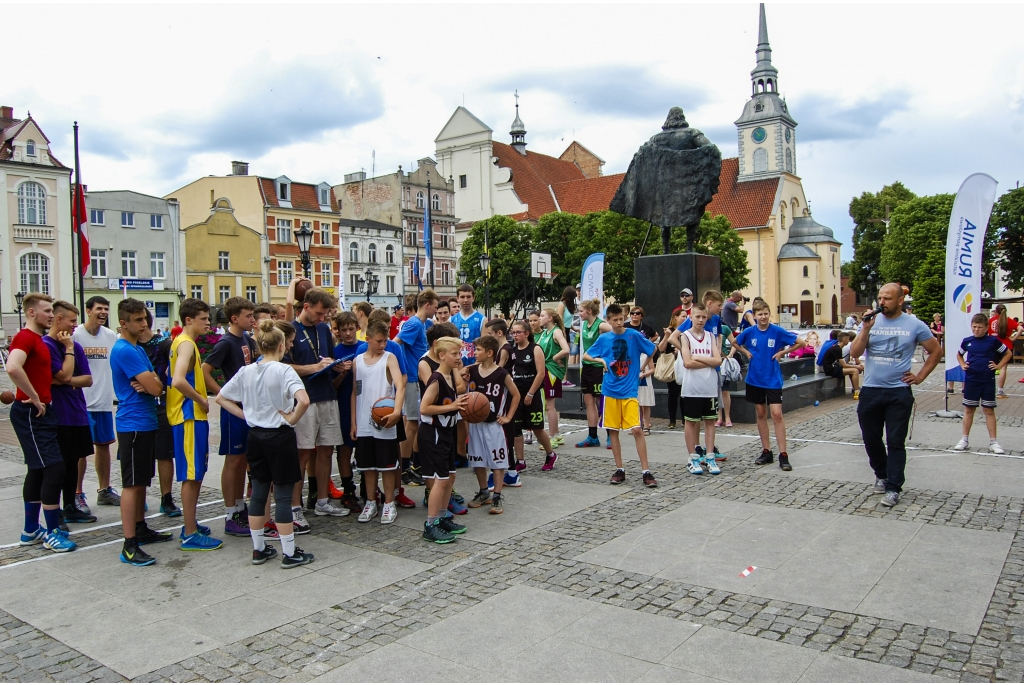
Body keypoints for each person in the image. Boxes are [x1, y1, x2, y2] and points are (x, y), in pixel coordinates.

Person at [215, 319, 314, 568]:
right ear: (282, 345)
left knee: (258, 493)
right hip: (279, 435)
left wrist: (245, 415)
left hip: (255, 435)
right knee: (282, 495)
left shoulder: (247, 371)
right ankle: (289, 551)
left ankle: (259, 548)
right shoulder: (284, 370)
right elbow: (303, 400)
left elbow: (221, 397)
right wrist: (291, 418)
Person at [849, 283, 942, 508]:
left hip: (898, 392)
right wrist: (866, 328)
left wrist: (920, 376)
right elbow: (854, 353)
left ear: (900, 300)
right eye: (880, 298)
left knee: (895, 441)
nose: (882, 302)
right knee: (871, 438)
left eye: (887, 298)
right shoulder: (871, 322)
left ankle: (894, 487)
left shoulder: (914, 325)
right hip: (871, 390)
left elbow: (937, 351)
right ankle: (882, 474)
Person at [7, 294, 77, 553]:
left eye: (51, 311)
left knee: (37, 470)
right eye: (46, 311)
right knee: (54, 469)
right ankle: (51, 532)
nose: (51, 314)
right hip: (31, 412)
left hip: (41, 411)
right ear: (31, 313)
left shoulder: (37, 340)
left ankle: (30, 530)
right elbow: (13, 368)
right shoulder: (25, 337)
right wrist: (33, 396)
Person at [111, 298, 174, 566]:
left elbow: (157, 382)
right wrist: (153, 382)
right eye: (137, 320)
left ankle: (140, 528)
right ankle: (129, 544)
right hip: (133, 423)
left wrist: (153, 381)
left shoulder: (137, 349)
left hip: (145, 421)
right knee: (132, 484)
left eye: (144, 318)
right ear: (123, 323)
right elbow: (156, 388)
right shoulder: (125, 349)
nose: (144, 323)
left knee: (142, 481)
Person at [287, 288, 348, 524]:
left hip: (327, 395)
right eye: (320, 313)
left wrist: (337, 366)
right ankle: (294, 507)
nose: (323, 319)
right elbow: (285, 366)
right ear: (306, 307)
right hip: (304, 399)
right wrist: (312, 368)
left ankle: (322, 501)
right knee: (302, 453)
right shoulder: (291, 330)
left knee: (326, 450)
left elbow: (328, 360)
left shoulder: (323, 328)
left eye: (326, 314)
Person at [202, 297, 259, 538]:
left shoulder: (246, 338)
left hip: (248, 407)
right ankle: (230, 512)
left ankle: (240, 506)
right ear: (234, 318)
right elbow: (205, 370)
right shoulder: (226, 342)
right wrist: (222, 394)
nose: (252, 319)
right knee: (233, 460)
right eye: (248, 316)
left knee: (243, 459)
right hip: (233, 409)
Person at [584, 304, 658, 487]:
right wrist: (601, 359)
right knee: (613, 430)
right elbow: (586, 355)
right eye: (614, 320)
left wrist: (641, 368)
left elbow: (652, 349)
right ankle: (619, 468)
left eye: (620, 319)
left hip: (629, 390)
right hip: (610, 390)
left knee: (637, 430)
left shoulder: (633, 335)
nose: (618, 323)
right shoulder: (604, 338)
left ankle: (646, 471)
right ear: (607, 320)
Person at [168, 298, 222, 551]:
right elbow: (178, 380)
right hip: (188, 415)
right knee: (191, 475)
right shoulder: (186, 344)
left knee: (196, 472)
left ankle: (191, 523)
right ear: (189, 320)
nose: (208, 323)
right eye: (203, 319)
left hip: (190, 416)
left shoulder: (184, 342)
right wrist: (201, 398)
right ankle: (189, 531)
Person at [732, 299, 807, 471]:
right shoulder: (750, 332)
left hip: (772, 379)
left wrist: (783, 352)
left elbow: (801, 343)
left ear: (769, 314)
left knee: (777, 414)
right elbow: (736, 342)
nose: (763, 317)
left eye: (766, 314)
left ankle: (783, 453)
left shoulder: (777, 331)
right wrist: (745, 352)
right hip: (755, 378)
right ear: (755, 316)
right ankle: (766, 450)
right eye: (760, 314)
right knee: (760, 413)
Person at [44, 301, 97, 527]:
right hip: (59, 415)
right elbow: (62, 375)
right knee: (59, 465)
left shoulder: (76, 347)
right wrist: (65, 376)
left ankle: (70, 505)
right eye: (72, 321)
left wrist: (66, 380)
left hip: (77, 412)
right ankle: (54, 511)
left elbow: (87, 378)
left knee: (74, 461)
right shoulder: (47, 345)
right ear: (59, 320)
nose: (75, 326)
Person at [350, 318, 406, 524]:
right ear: (368, 339)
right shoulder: (358, 361)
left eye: (385, 341)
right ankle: (371, 501)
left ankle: (389, 502)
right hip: (364, 420)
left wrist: (397, 410)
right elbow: (355, 393)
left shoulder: (390, 358)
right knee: (368, 466)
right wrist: (353, 422)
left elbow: (400, 386)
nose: (383, 345)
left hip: (385, 419)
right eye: (379, 341)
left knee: (388, 465)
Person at [419, 336, 470, 543]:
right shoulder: (436, 379)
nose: (459, 357)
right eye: (454, 354)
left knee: (450, 477)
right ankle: (430, 525)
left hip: (446, 431)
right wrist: (452, 406)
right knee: (439, 480)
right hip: (434, 433)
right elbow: (424, 408)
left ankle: (441, 518)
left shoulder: (450, 376)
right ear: (442, 356)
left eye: (459, 353)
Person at [73, 296, 120, 511]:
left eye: (106, 309)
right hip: (81, 402)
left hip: (103, 401)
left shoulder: (110, 336)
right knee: (80, 450)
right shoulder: (76, 335)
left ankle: (104, 490)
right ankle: (77, 493)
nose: (103, 312)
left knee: (104, 447)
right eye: (99, 308)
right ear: (88, 310)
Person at [466, 335, 520, 514]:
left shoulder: (501, 373)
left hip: (494, 425)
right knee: (477, 460)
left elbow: (516, 395)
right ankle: (483, 492)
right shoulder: (471, 370)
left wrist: (509, 416)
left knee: (498, 462)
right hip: (476, 424)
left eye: (478, 350)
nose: (475, 353)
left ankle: (497, 495)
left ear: (489, 353)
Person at [137, 312, 181, 517]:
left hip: (162, 404)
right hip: (138, 406)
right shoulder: (129, 346)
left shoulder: (163, 343)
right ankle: (140, 497)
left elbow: (177, 366)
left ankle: (166, 498)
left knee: (164, 454)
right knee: (141, 456)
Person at [394, 289, 437, 500]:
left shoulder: (424, 324)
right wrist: (398, 369)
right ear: (427, 304)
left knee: (417, 423)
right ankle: (404, 467)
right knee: (410, 423)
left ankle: (415, 463)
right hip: (411, 378)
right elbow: (395, 343)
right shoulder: (412, 323)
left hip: (417, 377)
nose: (437, 310)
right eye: (436, 306)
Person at [954, 313, 1012, 454]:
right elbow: (959, 354)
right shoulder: (967, 341)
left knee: (988, 410)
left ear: (986, 328)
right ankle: (964, 439)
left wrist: (998, 366)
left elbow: (1008, 353)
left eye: (979, 327)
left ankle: (993, 442)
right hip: (972, 379)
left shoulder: (993, 341)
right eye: (974, 327)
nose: (976, 330)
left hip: (987, 380)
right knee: (969, 409)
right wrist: (962, 364)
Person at [677, 302, 723, 476]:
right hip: (692, 388)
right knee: (691, 422)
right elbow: (687, 363)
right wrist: (706, 359)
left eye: (704, 317)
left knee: (710, 422)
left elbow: (718, 360)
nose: (701, 320)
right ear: (691, 317)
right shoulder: (685, 336)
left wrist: (697, 357)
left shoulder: (711, 336)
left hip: (709, 387)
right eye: (698, 316)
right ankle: (693, 458)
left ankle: (710, 457)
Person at [508, 320, 558, 472]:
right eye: (513, 333)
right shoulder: (512, 350)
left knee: (537, 428)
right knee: (516, 428)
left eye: (518, 332)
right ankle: (520, 460)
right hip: (517, 393)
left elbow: (541, 373)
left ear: (527, 333)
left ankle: (550, 454)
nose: (515, 335)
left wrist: (530, 393)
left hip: (533, 392)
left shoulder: (535, 349)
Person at [451, 284, 485, 467]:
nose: (465, 300)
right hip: (457, 372)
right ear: (457, 298)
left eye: (468, 296)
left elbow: (485, 348)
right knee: (460, 415)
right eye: (462, 297)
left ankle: (476, 452)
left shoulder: (481, 319)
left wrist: (471, 369)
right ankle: (461, 453)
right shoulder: (452, 320)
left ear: (473, 297)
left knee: (474, 412)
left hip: (474, 371)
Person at [331, 311, 360, 511]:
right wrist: (342, 373)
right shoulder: (335, 352)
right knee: (344, 448)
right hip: (342, 403)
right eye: (344, 330)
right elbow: (332, 386)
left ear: (357, 328)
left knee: (365, 448)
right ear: (339, 332)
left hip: (363, 402)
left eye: (351, 329)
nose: (348, 333)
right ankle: (348, 489)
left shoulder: (365, 348)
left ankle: (369, 487)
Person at [576, 300, 614, 445]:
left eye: (581, 311)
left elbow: (616, 330)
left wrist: (608, 354)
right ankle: (593, 436)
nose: (579, 314)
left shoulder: (601, 325)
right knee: (588, 401)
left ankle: (610, 435)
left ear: (589, 311)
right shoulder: (585, 324)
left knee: (601, 401)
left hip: (599, 367)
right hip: (586, 366)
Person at [537, 308, 569, 453]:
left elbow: (566, 349)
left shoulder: (556, 331)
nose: (540, 318)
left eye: (542, 316)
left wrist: (555, 358)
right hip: (546, 369)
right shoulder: (544, 332)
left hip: (552, 371)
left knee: (550, 406)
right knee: (549, 406)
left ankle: (551, 437)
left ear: (550, 318)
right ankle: (556, 434)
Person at [657, 310, 683, 429]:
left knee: (684, 393)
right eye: (683, 316)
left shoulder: (687, 331)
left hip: (684, 365)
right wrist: (667, 336)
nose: (685, 318)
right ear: (675, 317)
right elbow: (661, 349)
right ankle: (672, 420)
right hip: (671, 365)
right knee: (673, 393)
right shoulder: (669, 331)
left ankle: (685, 419)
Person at [989, 305, 1020, 399]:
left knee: (990, 367)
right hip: (1006, 346)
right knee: (1003, 369)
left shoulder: (991, 320)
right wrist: (1014, 338)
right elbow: (1021, 329)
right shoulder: (1009, 320)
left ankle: (988, 389)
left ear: (996, 311)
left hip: (992, 345)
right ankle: (1000, 391)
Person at [822, 331, 861, 399]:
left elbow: (842, 364)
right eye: (848, 339)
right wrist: (857, 366)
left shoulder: (837, 347)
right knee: (855, 371)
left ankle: (855, 389)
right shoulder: (837, 349)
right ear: (844, 339)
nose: (849, 341)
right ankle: (857, 391)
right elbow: (844, 365)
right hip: (830, 370)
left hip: (832, 367)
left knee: (853, 370)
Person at [637, 352, 655, 434]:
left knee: (645, 404)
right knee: (637, 404)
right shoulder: (633, 353)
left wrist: (644, 374)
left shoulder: (647, 354)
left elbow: (652, 369)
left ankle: (646, 426)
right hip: (635, 382)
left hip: (645, 381)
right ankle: (638, 425)